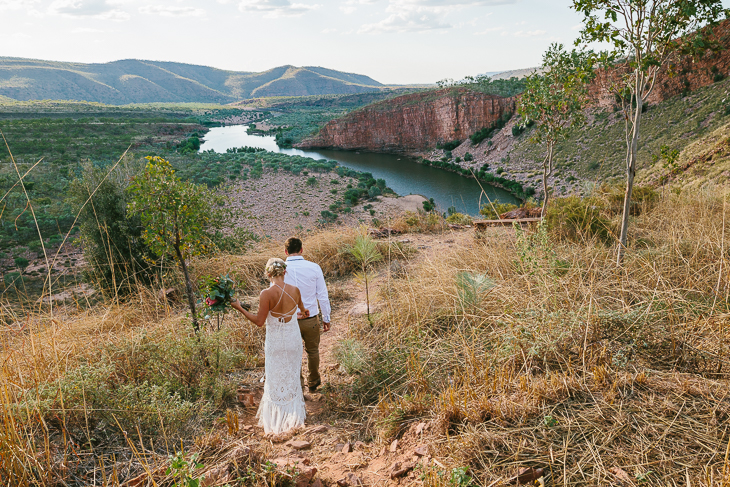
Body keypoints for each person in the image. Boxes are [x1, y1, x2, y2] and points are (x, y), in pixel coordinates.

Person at [231, 258, 309, 435]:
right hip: (293, 341)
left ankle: (275, 418)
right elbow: (303, 312)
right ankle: (294, 415)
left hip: (275, 343)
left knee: (274, 380)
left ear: (268, 274)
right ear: (285, 272)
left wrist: (239, 308)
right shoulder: (295, 290)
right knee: (292, 377)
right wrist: (301, 315)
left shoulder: (266, 293)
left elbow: (259, 321)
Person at [283, 237, 331, 392]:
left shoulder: (280, 270)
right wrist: (326, 317)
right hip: (311, 318)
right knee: (313, 350)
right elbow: (322, 295)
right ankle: (314, 381)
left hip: (290, 320)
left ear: (285, 251)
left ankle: (299, 384)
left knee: (293, 354)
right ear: (301, 250)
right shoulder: (314, 267)